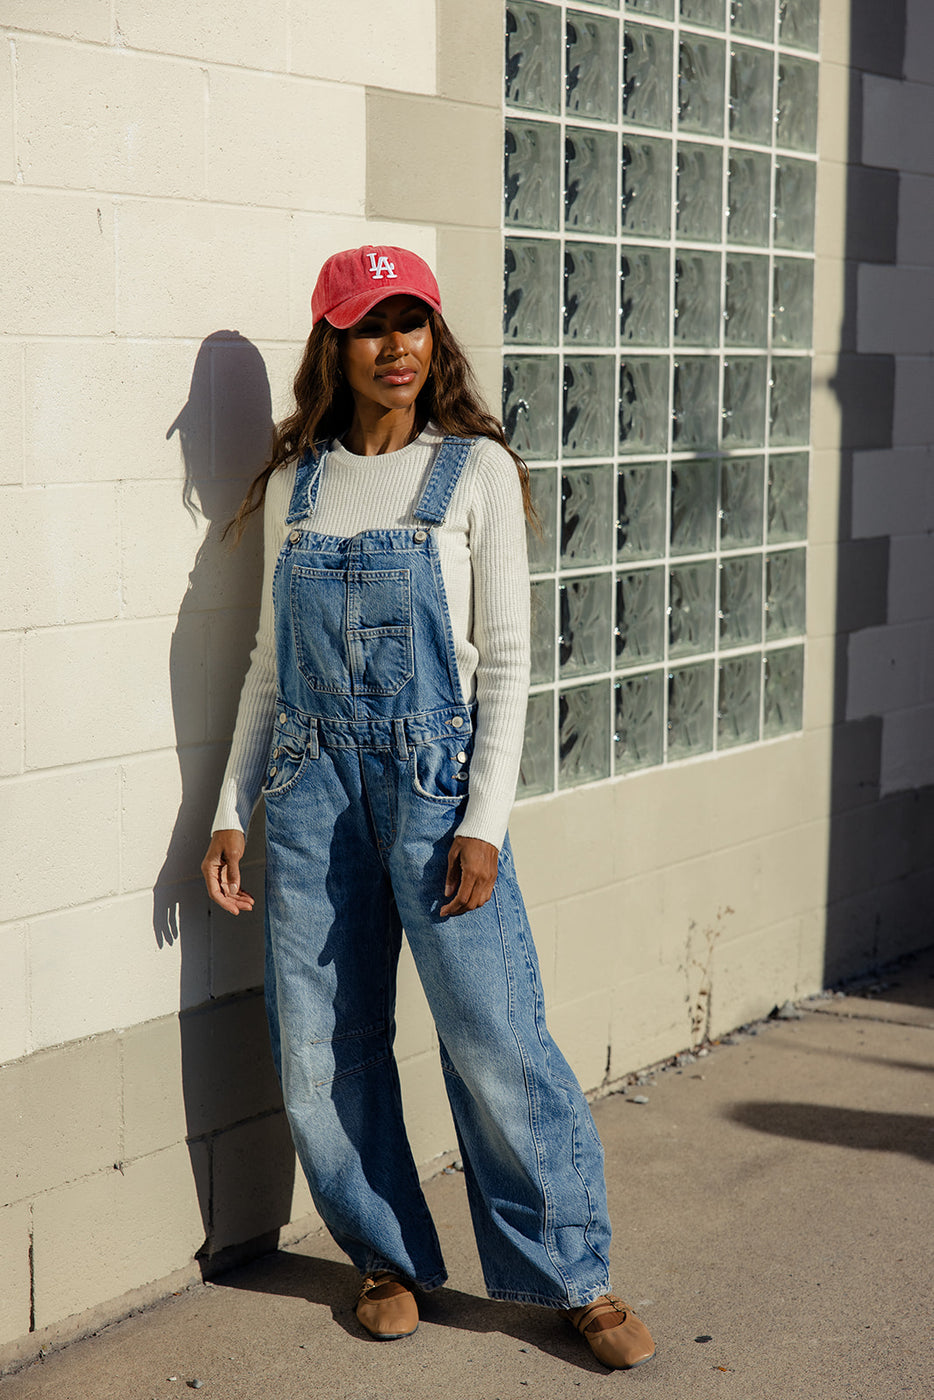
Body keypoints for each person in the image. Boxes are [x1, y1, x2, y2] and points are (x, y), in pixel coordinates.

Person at [201, 245, 655, 1370]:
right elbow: (266, 665)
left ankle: (573, 1274)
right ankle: (386, 1256)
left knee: (496, 1035)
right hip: (308, 795)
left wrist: (482, 825)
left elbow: (506, 663)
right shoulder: (298, 482)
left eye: (411, 320)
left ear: (434, 338)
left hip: (433, 787)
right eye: (368, 325)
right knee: (320, 1040)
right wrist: (227, 807)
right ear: (334, 347)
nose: (394, 343)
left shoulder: (476, 473)